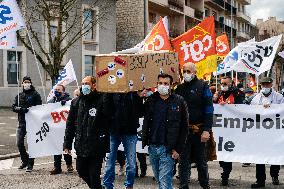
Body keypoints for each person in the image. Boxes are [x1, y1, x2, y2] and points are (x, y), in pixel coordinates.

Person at [142, 73, 189, 189]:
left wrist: (178, 149)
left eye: (166, 83)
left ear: (171, 85)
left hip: (168, 149)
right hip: (153, 147)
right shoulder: (151, 100)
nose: (163, 85)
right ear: (157, 84)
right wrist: (139, 97)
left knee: (164, 182)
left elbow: (184, 127)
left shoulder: (179, 101)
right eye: (160, 83)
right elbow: (138, 113)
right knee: (160, 180)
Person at [64, 76, 110, 189]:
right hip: (81, 145)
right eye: (83, 83)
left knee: (94, 175)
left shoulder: (101, 99)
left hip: (96, 146)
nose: (84, 86)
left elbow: (109, 114)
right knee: (81, 172)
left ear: (94, 85)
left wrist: (107, 95)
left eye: (87, 83)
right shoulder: (76, 102)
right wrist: (67, 144)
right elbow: (69, 125)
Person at [175, 63, 213, 189]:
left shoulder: (203, 86)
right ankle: (183, 186)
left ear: (195, 72)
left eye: (188, 71)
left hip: (199, 130)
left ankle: (205, 185)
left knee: (201, 161)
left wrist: (207, 130)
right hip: (183, 131)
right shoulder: (179, 88)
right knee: (183, 162)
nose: (186, 73)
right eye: (184, 71)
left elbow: (209, 109)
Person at [103, 91, 144, 189]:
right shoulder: (111, 92)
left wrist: (139, 97)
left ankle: (129, 185)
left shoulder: (133, 93)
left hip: (130, 131)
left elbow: (140, 112)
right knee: (110, 161)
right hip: (114, 131)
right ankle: (107, 185)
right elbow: (106, 111)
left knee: (131, 163)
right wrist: (107, 94)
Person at [250, 77, 283, 188]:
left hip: (274, 131)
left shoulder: (279, 97)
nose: (265, 87)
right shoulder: (256, 98)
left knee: (274, 154)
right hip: (260, 131)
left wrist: (272, 108)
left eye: (267, 84)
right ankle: (260, 180)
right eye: (263, 85)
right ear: (261, 85)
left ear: (271, 84)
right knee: (259, 156)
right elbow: (250, 112)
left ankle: (275, 175)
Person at [213, 76, 244, 186]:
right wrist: (215, 99)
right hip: (221, 129)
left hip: (232, 129)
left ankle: (225, 175)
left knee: (228, 153)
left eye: (226, 84)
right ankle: (224, 170)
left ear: (231, 84)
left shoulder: (237, 93)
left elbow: (242, 107)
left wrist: (228, 106)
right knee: (221, 154)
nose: (223, 85)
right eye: (222, 83)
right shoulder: (220, 94)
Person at [12, 76, 42, 172]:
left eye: (28, 82)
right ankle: (25, 160)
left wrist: (30, 110)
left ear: (31, 83)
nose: (26, 83)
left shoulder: (35, 94)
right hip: (21, 122)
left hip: (32, 123)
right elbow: (13, 107)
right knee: (19, 142)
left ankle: (30, 164)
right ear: (22, 83)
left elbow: (40, 108)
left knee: (32, 144)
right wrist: (20, 109)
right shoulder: (19, 95)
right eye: (25, 82)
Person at [48, 84, 73, 175]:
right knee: (56, 147)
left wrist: (65, 102)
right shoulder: (51, 101)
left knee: (66, 146)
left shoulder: (69, 100)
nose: (57, 91)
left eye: (59, 89)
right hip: (55, 128)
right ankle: (57, 167)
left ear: (63, 91)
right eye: (56, 89)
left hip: (65, 128)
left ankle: (69, 164)